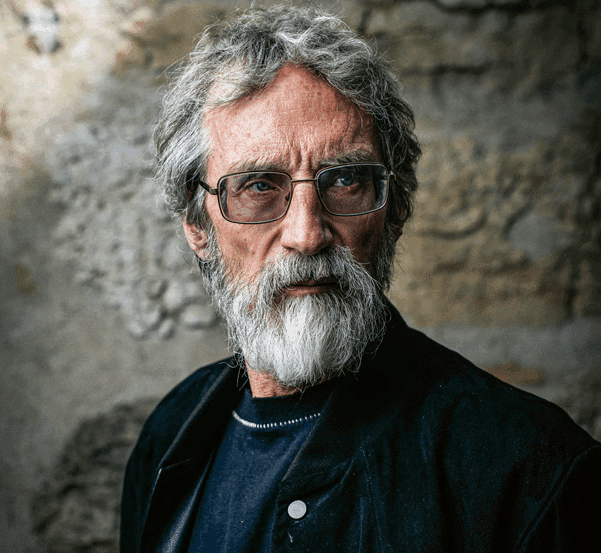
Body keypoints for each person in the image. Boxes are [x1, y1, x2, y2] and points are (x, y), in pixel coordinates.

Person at [120, 6, 600, 552]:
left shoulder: (532, 473)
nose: (306, 234)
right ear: (196, 225)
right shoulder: (168, 439)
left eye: (346, 180)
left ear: (395, 209)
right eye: (258, 186)